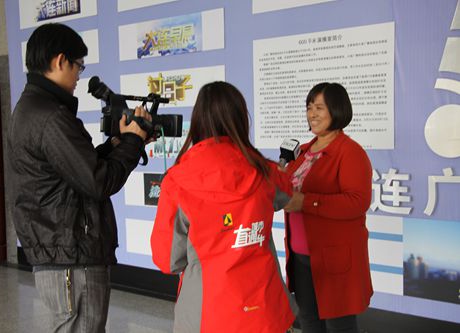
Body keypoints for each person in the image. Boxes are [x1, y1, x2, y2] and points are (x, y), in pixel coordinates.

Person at [7, 23, 150, 332]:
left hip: (60, 250)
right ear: (60, 61)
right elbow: (99, 182)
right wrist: (132, 143)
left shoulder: (31, 108)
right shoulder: (51, 116)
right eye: (78, 67)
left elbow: (74, 168)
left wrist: (122, 142)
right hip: (72, 255)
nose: (78, 77)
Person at [150, 81, 295, 332]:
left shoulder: (178, 179)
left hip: (206, 314)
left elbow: (168, 260)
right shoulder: (263, 170)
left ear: (198, 121)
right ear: (240, 119)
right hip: (264, 309)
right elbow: (286, 192)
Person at [283, 82, 373, 333]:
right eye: (309, 107)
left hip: (333, 258)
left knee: (338, 325)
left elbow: (357, 202)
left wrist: (307, 201)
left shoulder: (350, 152)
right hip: (300, 256)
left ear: (337, 109)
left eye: (319, 107)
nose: (312, 113)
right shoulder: (303, 151)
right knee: (310, 321)